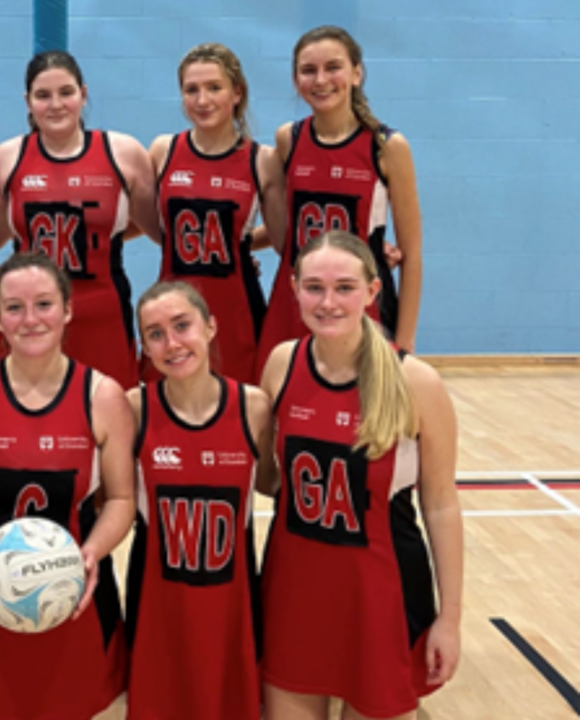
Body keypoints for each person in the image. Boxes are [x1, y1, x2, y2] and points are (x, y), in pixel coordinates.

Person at [257, 230, 462, 720]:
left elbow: (440, 505)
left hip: (381, 598)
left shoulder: (416, 381)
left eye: (345, 287)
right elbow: (269, 480)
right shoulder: (281, 364)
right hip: (294, 591)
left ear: (373, 292)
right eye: (314, 287)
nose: (328, 302)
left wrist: (449, 619)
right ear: (293, 288)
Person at [0, 252, 136, 720]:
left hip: (75, 593)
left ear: (67, 310)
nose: (30, 319)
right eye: (14, 307)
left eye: (44, 304)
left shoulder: (102, 396)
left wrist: (92, 553)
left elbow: (121, 499)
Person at [123, 280, 271, 720]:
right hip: (157, 602)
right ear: (145, 347)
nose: (171, 343)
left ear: (210, 327)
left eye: (182, 325)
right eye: (155, 333)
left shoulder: (254, 407)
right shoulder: (132, 408)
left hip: (233, 602)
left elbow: (270, 485)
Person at [0, 50, 162, 389]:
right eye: (43, 95)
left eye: (66, 92)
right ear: (27, 101)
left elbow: (159, 231)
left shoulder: (123, 153)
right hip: (29, 319)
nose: (55, 104)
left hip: (102, 313)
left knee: (110, 419)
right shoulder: (6, 159)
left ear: (83, 93)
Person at [256, 25, 423, 380]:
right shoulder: (288, 139)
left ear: (357, 73)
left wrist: (405, 344)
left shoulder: (387, 147)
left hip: (362, 307)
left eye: (333, 67)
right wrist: (238, 249)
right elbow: (284, 229)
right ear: (295, 78)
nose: (321, 80)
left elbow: (412, 253)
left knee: (363, 423)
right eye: (308, 70)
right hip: (295, 300)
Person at [145, 42, 285, 385]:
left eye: (214, 88)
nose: (202, 100)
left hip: (235, 306)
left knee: (239, 409)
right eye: (191, 90)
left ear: (237, 93)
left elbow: (286, 241)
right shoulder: (164, 150)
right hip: (172, 302)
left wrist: (237, 244)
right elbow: (143, 220)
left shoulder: (262, 160)